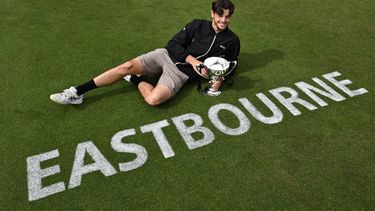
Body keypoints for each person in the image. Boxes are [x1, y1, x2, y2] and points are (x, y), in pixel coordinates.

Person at [50, 0, 240, 106]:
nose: (224, 20)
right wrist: (192, 61)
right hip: (166, 56)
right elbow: (173, 44)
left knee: (153, 99)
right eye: (220, 15)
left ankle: (136, 80)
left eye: (227, 16)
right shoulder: (197, 24)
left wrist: (220, 78)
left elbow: (233, 64)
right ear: (212, 14)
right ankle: (77, 92)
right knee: (126, 66)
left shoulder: (232, 40)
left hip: (180, 74)